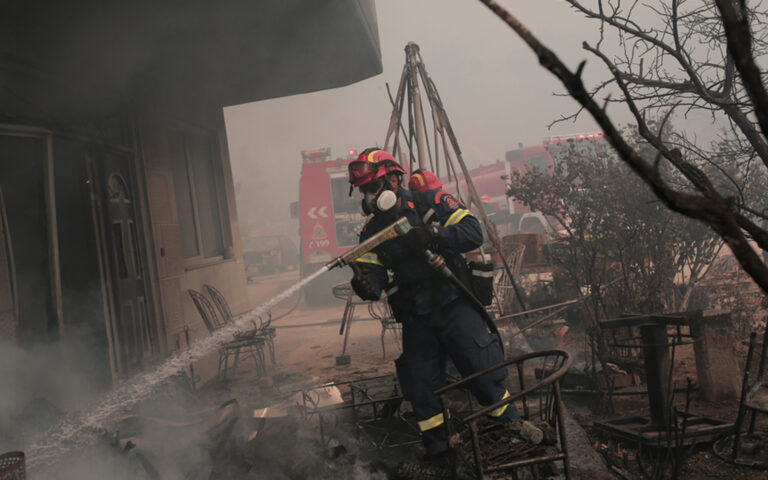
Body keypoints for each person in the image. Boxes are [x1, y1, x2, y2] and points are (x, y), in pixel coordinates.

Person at [347, 148, 520, 459]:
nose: (371, 196)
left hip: (454, 302)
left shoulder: (430, 203)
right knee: (423, 391)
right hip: (416, 316)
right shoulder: (372, 231)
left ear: (394, 179)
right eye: (365, 191)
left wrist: (433, 235)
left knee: (482, 372)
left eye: (374, 187)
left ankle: (512, 433)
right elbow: (373, 279)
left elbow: (472, 233)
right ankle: (441, 456)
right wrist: (364, 283)